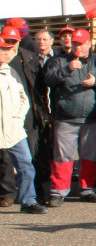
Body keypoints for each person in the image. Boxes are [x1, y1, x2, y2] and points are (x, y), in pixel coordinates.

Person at [45, 29, 96, 206]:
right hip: (66, 118)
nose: (78, 47)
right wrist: (67, 69)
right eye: (75, 44)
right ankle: (58, 191)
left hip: (91, 118)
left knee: (89, 156)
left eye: (81, 44)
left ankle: (88, 189)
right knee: (63, 157)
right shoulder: (59, 61)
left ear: (89, 43)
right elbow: (49, 80)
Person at [0, 29, 46, 213]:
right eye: (2, 49)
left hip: (14, 130)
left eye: (8, 49)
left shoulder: (11, 72)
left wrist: (17, 119)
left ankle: (28, 201)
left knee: (26, 165)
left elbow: (23, 98)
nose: (6, 52)